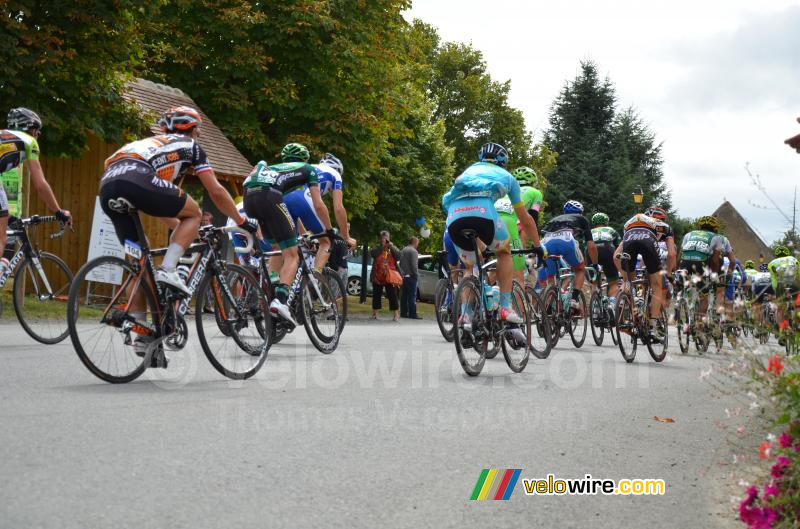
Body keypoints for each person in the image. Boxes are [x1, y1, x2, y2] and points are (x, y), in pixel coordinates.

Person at [100, 105, 256, 297]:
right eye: (199, 128)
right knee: (195, 213)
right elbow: (215, 190)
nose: (199, 133)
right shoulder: (191, 146)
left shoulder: (150, 144)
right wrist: (241, 222)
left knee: (141, 264)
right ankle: (168, 269)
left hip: (108, 184)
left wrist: (188, 232)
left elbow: (164, 209)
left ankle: (135, 320)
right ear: (193, 128)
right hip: (137, 176)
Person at [441, 142, 544, 341]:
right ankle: (505, 307)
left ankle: (465, 315)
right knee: (504, 253)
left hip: (454, 217)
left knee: (470, 266)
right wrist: (538, 246)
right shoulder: (508, 178)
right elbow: (526, 219)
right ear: (503, 162)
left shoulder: (469, 170)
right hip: (484, 213)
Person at [242, 142, 334, 323]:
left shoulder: (274, 168)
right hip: (269, 196)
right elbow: (319, 205)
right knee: (292, 255)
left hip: (249, 198)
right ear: (305, 159)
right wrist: (329, 230)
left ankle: (271, 286)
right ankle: (281, 301)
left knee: (277, 246)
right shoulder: (308, 169)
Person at [0, 108, 72, 275]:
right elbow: (40, 184)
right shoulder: (28, 141)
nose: (38, 136)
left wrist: (8, 215)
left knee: (4, 216)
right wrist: (58, 211)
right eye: (38, 132)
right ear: (31, 129)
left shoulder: (4, 135)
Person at [283, 153, 356, 269]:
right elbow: (338, 208)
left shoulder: (308, 167)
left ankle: (281, 284)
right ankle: (315, 281)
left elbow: (296, 210)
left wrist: (303, 233)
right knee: (327, 242)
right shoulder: (335, 174)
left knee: (288, 248)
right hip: (305, 198)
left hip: (283, 199)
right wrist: (346, 237)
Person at [538, 200, 598, 311]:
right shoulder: (581, 219)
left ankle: (549, 308)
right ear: (580, 212)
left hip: (545, 243)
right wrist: (594, 264)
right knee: (579, 269)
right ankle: (573, 300)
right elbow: (591, 245)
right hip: (566, 240)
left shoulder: (554, 219)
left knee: (551, 280)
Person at [615, 212, 665, 340]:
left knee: (629, 283)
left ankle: (630, 312)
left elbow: (616, 255)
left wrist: (624, 276)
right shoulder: (660, 225)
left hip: (628, 242)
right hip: (649, 242)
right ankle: (653, 327)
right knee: (656, 286)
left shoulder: (628, 224)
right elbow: (670, 254)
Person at [493, 166, 544, 288]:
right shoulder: (535, 192)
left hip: (490, 223)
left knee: (498, 263)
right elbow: (531, 220)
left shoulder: (506, 192)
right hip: (510, 225)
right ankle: (519, 306)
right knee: (518, 277)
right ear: (534, 182)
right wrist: (536, 245)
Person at [677, 215, 733, 323]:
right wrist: (716, 277)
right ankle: (699, 324)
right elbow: (717, 261)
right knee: (704, 296)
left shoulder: (689, 234)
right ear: (716, 228)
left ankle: (681, 301)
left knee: (683, 284)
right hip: (702, 264)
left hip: (685, 262)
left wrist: (675, 269)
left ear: (700, 226)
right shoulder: (719, 237)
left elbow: (680, 254)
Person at [589, 212, 621, 307]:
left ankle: (595, 305)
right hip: (607, 249)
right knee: (613, 281)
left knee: (594, 281)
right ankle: (611, 304)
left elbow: (586, 245)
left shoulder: (590, 231)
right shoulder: (611, 229)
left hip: (591, 250)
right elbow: (618, 246)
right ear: (606, 222)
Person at [767, 245, 799, 337]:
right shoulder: (793, 259)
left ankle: (782, 330)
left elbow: (774, 281)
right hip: (794, 284)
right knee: (797, 305)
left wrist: (776, 292)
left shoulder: (772, 263)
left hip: (781, 285)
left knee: (780, 308)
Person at [370, 230, 402, 321]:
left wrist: (391, 247)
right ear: (380, 239)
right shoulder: (378, 247)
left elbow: (399, 256)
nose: (385, 239)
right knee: (376, 295)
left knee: (392, 295)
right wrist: (383, 247)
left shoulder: (392, 247)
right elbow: (373, 254)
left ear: (389, 238)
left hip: (390, 275)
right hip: (377, 275)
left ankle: (396, 314)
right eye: (383, 237)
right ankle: (375, 313)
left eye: (386, 237)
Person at [400, 236, 421, 319]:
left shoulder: (404, 250)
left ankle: (403, 313)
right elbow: (414, 265)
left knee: (404, 296)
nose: (417, 245)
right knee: (412, 296)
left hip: (403, 276)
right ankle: (412, 313)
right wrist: (416, 275)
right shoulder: (414, 251)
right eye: (417, 243)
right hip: (411, 276)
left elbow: (401, 263)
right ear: (414, 242)